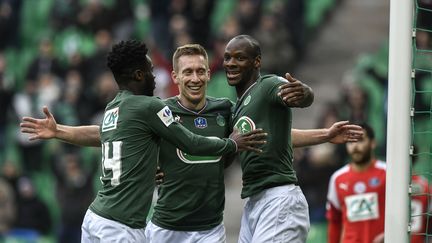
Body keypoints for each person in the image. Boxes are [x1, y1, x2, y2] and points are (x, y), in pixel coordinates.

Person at [21, 42, 364, 243]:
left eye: (201, 71)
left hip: (208, 228)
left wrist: (324, 135)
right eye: (188, 72)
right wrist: (61, 131)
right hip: (164, 226)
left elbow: (266, 138)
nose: (196, 78)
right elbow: (104, 134)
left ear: (207, 73)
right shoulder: (158, 111)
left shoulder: (225, 110)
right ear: (176, 77)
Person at [223, 34, 313, 242]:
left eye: (239, 58)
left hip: (278, 198)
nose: (231, 63)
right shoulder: (237, 108)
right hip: (255, 201)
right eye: (227, 58)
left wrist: (305, 93)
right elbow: (281, 136)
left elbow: (301, 96)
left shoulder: (268, 85)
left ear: (257, 62)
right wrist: (326, 134)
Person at [326, 123, 429, 243]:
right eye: (350, 141)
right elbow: (334, 221)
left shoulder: (389, 173)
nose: (355, 146)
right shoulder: (337, 178)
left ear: (373, 143)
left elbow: (405, 211)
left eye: (360, 140)